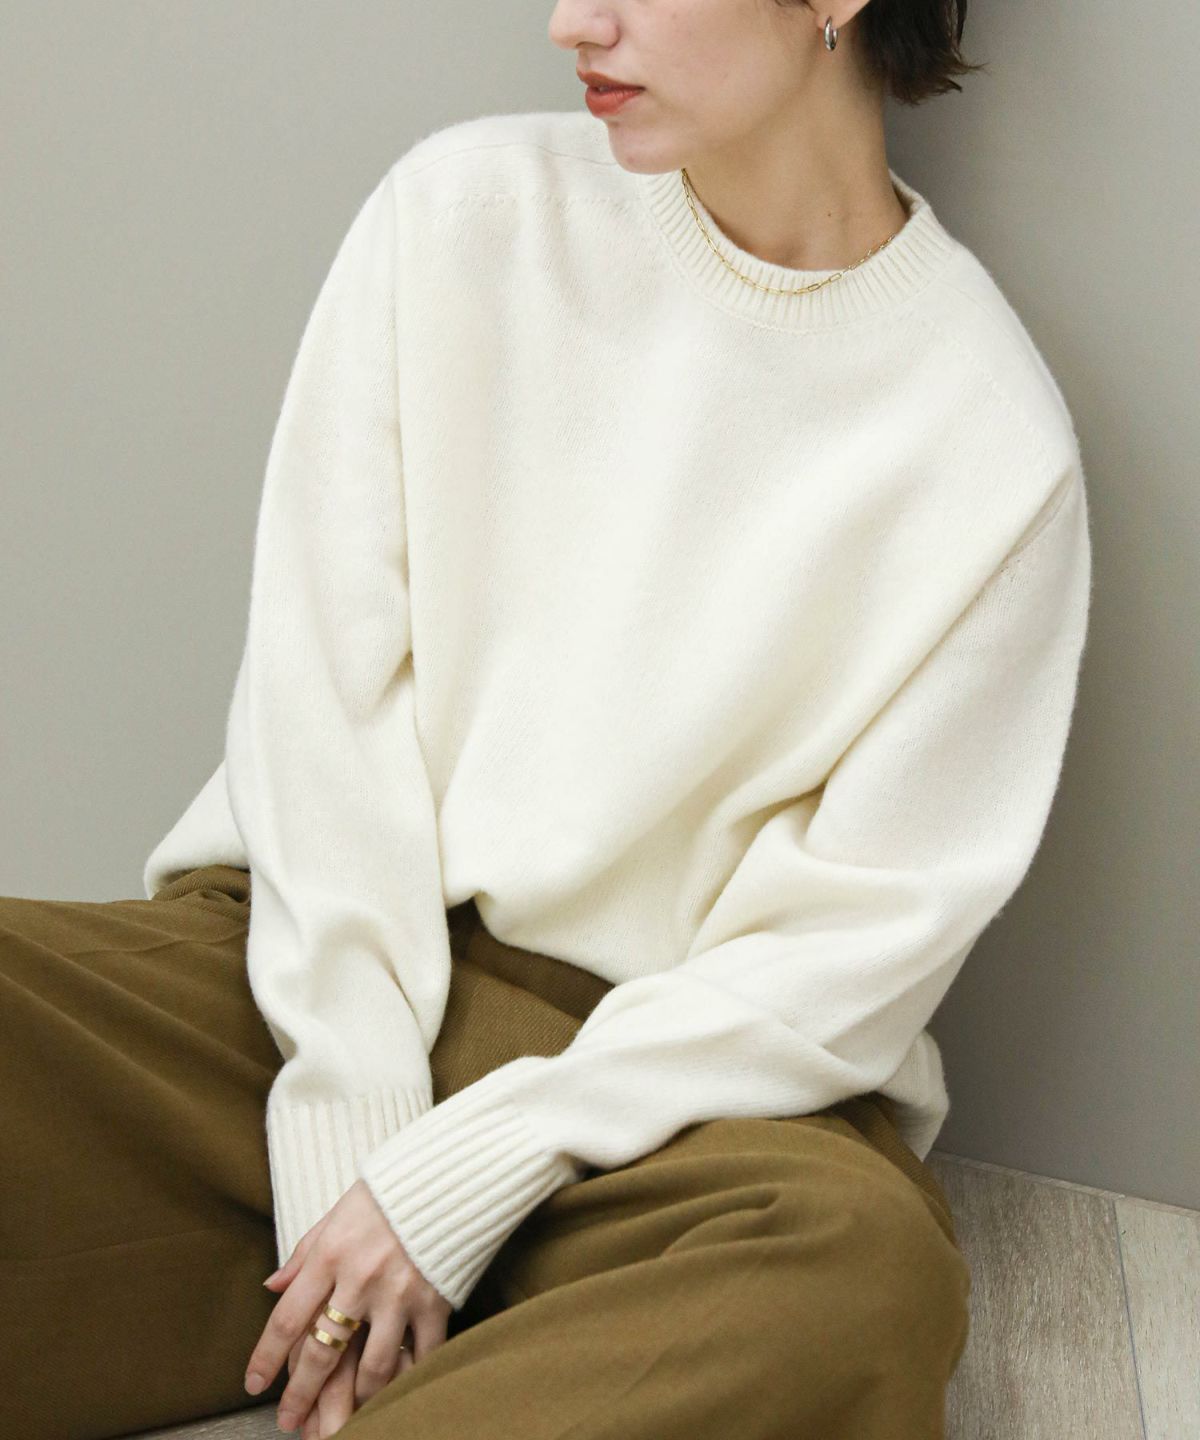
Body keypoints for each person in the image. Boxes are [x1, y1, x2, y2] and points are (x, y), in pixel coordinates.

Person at [0, 1, 1093, 1437]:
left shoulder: (993, 444)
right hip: (303, 998)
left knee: (857, 1279)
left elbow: (848, 951)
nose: (572, 19)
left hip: (688, 1118)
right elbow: (320, 715)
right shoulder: (460, 218)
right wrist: (352, 1135)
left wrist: (478, 1170)